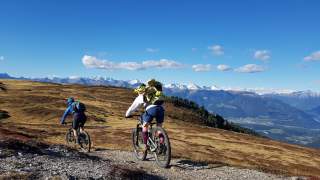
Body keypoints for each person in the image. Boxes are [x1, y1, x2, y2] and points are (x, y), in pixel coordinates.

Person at [126, 79, 165, 152]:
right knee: (159, 127)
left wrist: (127, 114)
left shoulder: (141, 96)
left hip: (151, 110)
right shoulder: (156, 93)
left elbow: (132, 108)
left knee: (145, 126)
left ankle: (145, 145)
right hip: (161, 109)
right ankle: (161, 144)